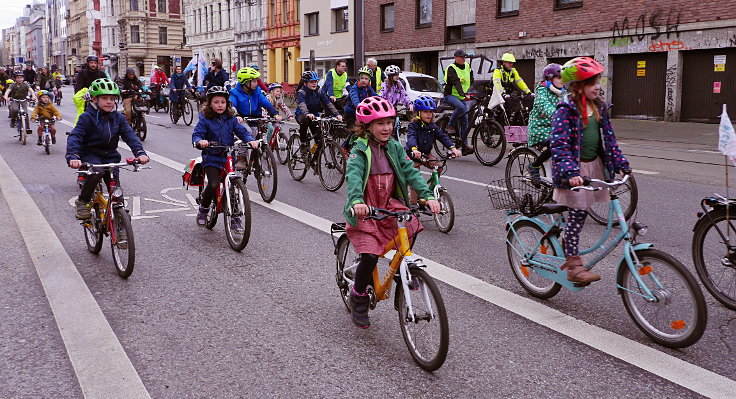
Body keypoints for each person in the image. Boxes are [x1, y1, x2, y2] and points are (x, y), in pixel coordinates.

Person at [343, 96, 441, 328]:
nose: (386, 128)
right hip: (366, 207)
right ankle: (358, 296)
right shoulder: (360, 149)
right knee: (369, 255)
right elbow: (354, 177)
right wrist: (357, 200)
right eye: (380, 123)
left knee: (411, 226)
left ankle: (400, 275)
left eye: (389, 122)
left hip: (387, 202)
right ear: (367, 126)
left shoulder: (395, 147)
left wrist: (426, 195)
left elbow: (410, 172)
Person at [550, 57, 631, 285]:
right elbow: (559, 144)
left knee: (581, 213)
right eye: (591, 82)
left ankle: (568, 242)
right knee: (578, 215)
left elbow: (610, 141)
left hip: (593, 166)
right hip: (575, 170)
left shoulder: (599, 108)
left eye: (598, 81)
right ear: (577, 86)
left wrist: (622, 163)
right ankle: (573, 266)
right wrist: (569, 172)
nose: (598, 86)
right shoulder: (565, 110)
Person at [66, 78, 150, 220]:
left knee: (116, 192)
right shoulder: (86, 117)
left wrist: (140, 153)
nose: (109, 101)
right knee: (96, 172)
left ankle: (120, 220)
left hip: (110, 156)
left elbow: (130, 136)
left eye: (112, 98)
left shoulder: (118, 117)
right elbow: (75, 136)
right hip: (90, 155)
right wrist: (73, 156)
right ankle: (82, 201)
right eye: (104, 98)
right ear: (94, 99)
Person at [192, 86, 258, 228]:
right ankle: (203, 209)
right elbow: (197, 134)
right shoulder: (205, 119)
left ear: (227, 103)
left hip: (228, 157)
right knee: (213, 183)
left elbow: (241, 131)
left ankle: (235, 219)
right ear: (210, 103)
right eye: (216, 102)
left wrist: (250, 140)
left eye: (223, 102)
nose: (220, 105)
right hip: (212, 158)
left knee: (233, 187)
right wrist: (200, 141)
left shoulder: (231, 119)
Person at [406, 96, 461, 203]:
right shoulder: (413, 126)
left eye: (430, 112)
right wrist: (414, 149)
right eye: (425, 112)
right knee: (415, 180)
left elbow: (442, 136)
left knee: (439, 166)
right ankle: (413, 206)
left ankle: (429, 192)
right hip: (414, 156)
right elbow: (411, 137)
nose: (428, 114)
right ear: (418, 113)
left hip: (426, 154)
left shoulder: (432, 126)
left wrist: (453, 148)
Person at [229, 66, 282, 170]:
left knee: (257, 134)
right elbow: (232, 105)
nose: (257, 83)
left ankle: (257, 156)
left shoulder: (257, 91)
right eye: (254, 81)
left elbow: (265, 103)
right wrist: (236, 116)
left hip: (255, 118)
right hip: (242, 118)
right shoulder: (235, 93)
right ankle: (241, 158)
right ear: (245, 82)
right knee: (247, 131)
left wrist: (275, 114)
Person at [527, 63, 565, 182]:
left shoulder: (563, 92)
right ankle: (534, 166)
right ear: (549, 78)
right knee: (556, 144)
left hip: (555, 127)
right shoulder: (542, 90)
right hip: (539, 128)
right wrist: (557, 115)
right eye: (559, 78)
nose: (562, 80)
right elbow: (543, 105)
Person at [295, 70, 341, 158]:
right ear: (305, 83)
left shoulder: (319, 91)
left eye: (315, 81)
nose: (314, 84)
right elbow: (302, 104)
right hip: (302, 114)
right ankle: (303, 144)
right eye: (311, 82)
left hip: (315, 115)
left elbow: (327, 103)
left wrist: (337, 114)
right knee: (304, 121)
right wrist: (307, 113)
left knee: (319, 141)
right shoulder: (302, 92)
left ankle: (314, 161)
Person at [443, 49, 475, 155]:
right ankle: (450, 125)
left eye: (464, 57)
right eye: (461, 57)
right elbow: (456, 82)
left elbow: (471, 79)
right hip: (450, 95)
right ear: (455, 58)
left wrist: (472, 92)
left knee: (465, 121)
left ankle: (464, 145)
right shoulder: (451, 68)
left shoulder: (467, 66)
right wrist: (463, 94)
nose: (463, 59)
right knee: (461, 108)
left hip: (462, 96)